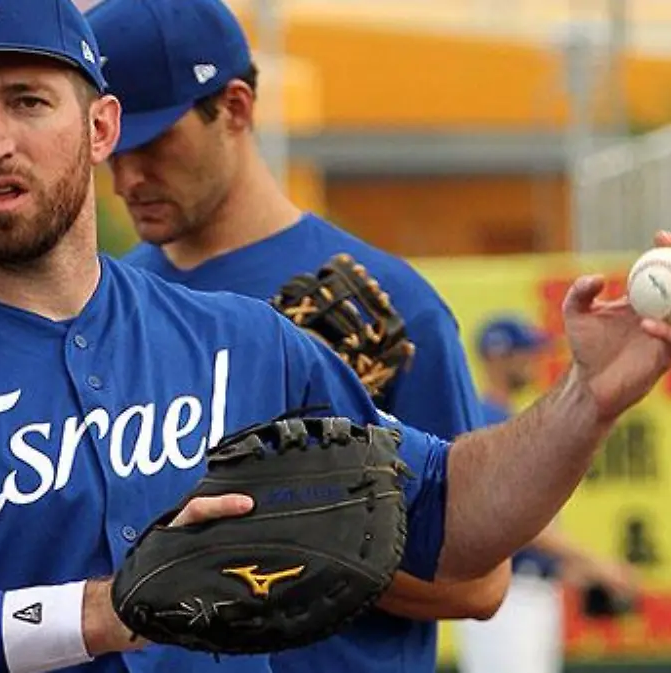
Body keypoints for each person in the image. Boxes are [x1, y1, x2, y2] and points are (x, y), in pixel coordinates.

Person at [0, 1, 671, 671]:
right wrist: (92, 613)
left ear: (100, 127)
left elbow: (449, 513)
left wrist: (587, 401)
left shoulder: (245, 342)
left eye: (28, 102)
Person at [83, 0, 507, 671]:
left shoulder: (395, 305)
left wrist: (289, 522)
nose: (128, 178)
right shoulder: (103, 308)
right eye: (112, 146)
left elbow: (478, 584)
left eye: (155, 142)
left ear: (236, 107)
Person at [456, 317, 639, 673]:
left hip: (528, 594)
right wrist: (596, 565)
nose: (533, 360)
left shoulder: (509, 417)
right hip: (506, 600)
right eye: (524, 352)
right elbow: (515, 520)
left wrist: (574, 571)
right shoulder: (487, 419)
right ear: (497, 357)